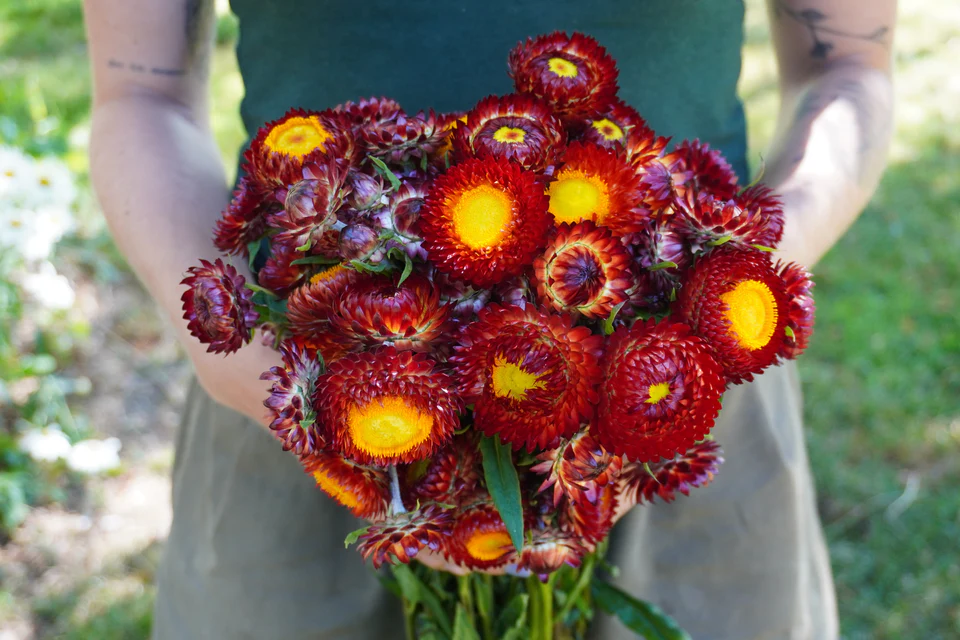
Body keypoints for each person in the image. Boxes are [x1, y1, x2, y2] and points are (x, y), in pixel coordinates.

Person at [82, 0, 895, 637]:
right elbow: (140, 93)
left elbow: (848, 69)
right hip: (292, 391)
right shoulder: (273, 385)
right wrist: (258, 375)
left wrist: (730, 280)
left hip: (679, 384)